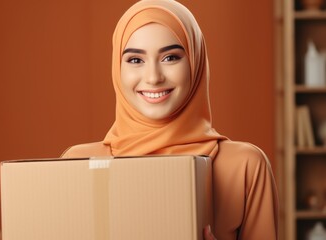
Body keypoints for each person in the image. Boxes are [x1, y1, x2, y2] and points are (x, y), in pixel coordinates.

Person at [61, 0, 278, 239]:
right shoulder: (77, 164)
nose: (153, 77)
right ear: (117, 68)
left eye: (170, 57)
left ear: (195, 62)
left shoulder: (244, 166)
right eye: (135, 60)